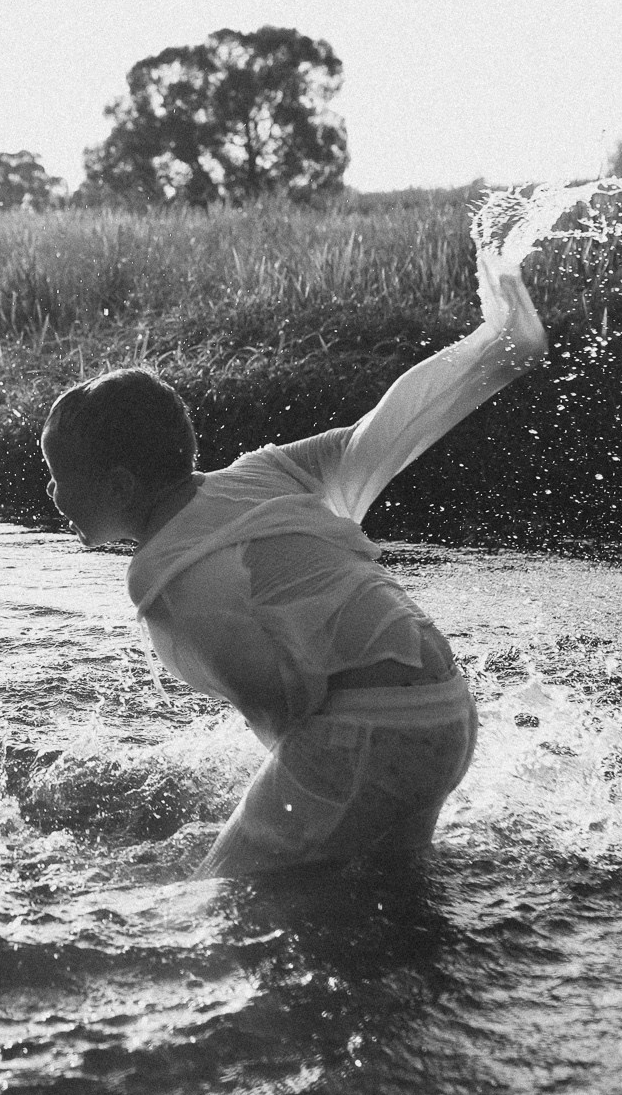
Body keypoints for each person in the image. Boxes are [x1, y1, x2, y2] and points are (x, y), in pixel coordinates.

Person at [41, 250, 547, 877]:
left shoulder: (162, 577)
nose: (54, 496)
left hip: (368, 733)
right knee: (390, 890)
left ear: (118, 486)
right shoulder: (266, 472)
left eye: (58, 477)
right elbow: (383, 431)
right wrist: (496, 349)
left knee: (220, 901)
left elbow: (278, 702)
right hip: (446, 708)